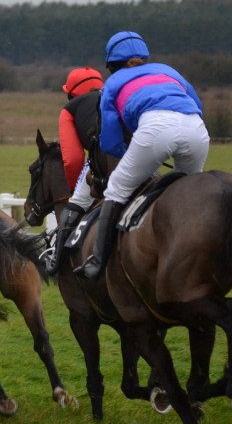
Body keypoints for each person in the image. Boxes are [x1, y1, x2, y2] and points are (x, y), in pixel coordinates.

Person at [78, 31, 210, 279]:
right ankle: (196, 258)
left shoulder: (112, 85)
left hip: (155, 129)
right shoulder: (169, 71)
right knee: (188, 196)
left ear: (114, 65)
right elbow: (197, 104)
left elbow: (109, 140)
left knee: (116, 187)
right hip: (196, 129)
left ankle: (96, 261)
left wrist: (131, 154)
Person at [44, 67, 104, 275]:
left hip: (105, 159)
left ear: (72, 92)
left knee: (77, 202)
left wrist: (73, 188)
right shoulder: (114, 95)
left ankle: (55, 259)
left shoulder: (71, 108)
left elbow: (73, 159)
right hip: (137, 154)